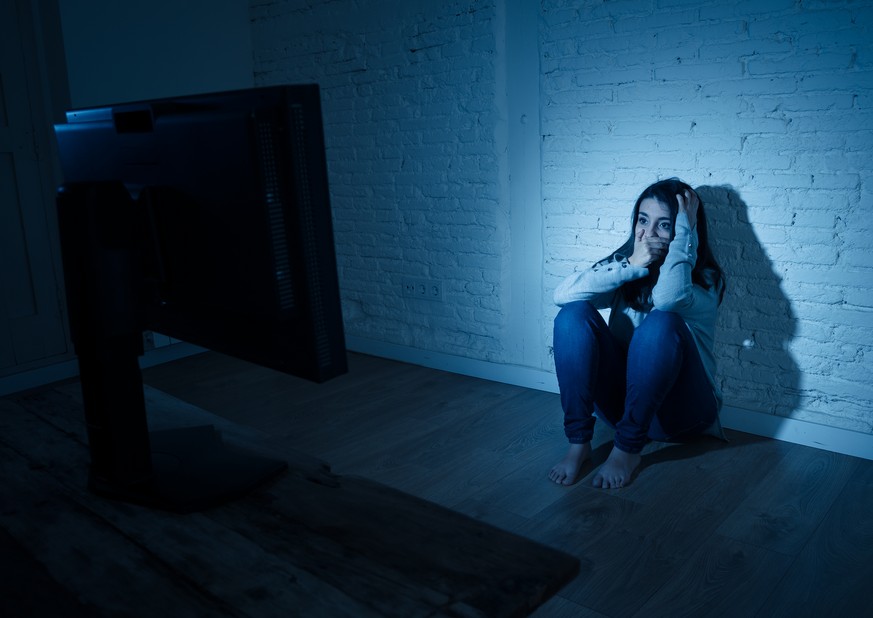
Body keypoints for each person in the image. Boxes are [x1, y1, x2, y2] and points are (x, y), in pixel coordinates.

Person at [549, 178, 726, 489]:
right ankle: (578, 443)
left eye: (665, 224)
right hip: (623, 409)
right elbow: (562, 295)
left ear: (683, 230)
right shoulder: (626, 270)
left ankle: (627, 451)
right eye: (643, 220)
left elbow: (669, 298)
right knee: (572, 314)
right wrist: (631, 264)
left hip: (682, 416)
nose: (648, 233)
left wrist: (686, 229)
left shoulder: (706, 281)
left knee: (662, 321)